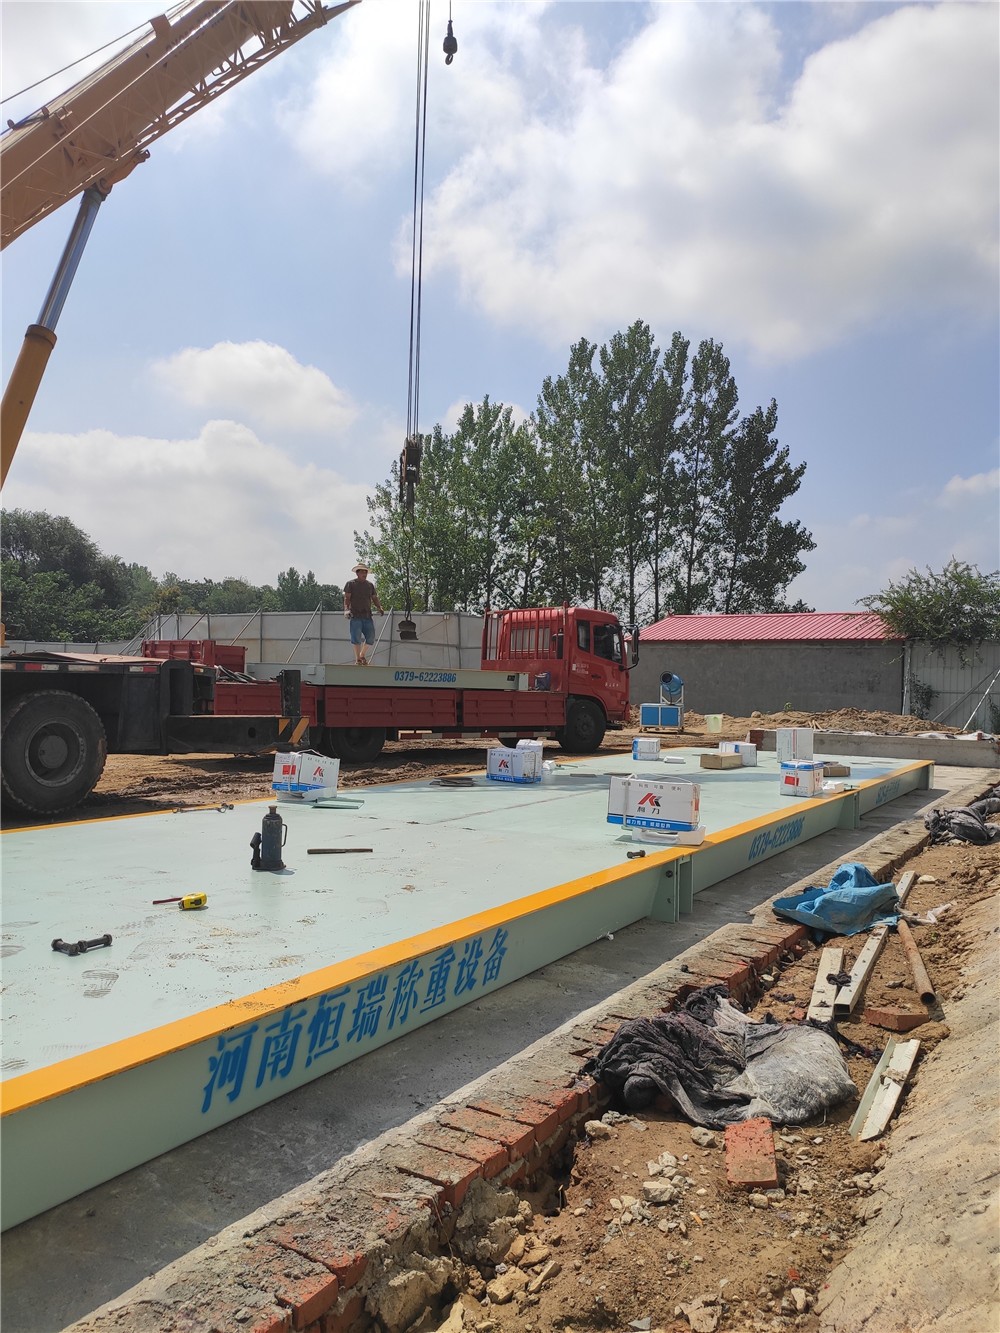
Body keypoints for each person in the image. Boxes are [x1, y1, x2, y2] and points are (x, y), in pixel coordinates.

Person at [343, 561, 384, 665]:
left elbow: (374, 597)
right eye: (362, 572)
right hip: (355, 615)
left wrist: (379, 607)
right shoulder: (351, 584)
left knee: (371, 637)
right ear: (357, 573)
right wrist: (346, 609)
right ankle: (358, 659)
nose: (364, 574)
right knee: (356, 637)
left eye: (366, 572)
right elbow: (347, 598)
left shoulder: (369, 585)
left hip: (367, 615)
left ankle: (362, 654)